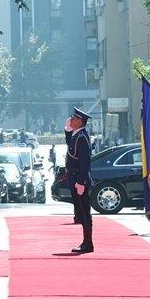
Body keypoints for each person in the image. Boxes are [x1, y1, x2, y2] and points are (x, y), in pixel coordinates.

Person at [66, 107, 93, 253]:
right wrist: (67, 131)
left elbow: (84, 161)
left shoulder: (82, 137)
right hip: (75, 177)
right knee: (80, 212)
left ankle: (88, 244)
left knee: (84, 212)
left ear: (80, 121)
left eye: (74, 118)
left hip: (78, 178)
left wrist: (81, 181)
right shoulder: (77, 135)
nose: (71, 119)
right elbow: (70, 145)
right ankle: (86, 242)